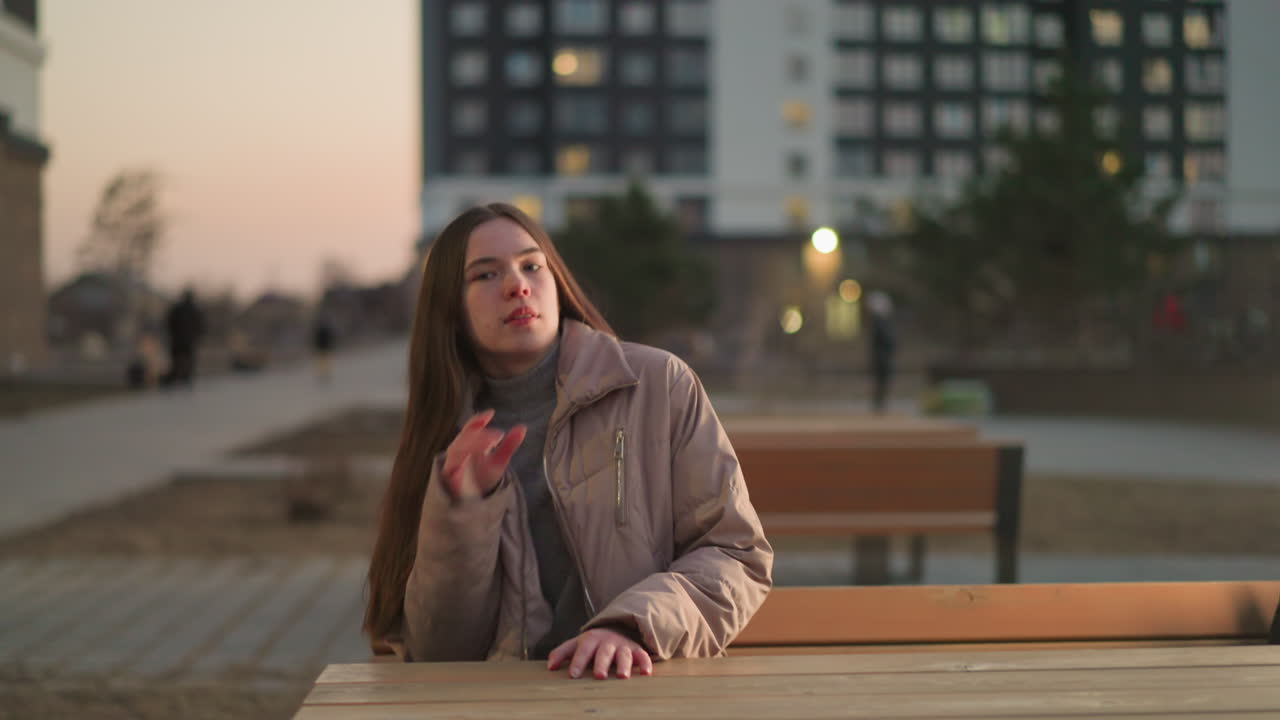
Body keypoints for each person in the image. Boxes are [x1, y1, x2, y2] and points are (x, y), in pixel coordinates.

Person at [363, 203, 773, 680]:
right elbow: (441, 653)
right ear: (450, 311)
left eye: (532, 266)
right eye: (485, 275)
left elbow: (735, 553)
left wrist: (631, 627)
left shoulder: (658, 385)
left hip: (639, 688)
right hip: (505, 705)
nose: (517, 286)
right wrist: (460, 510)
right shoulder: (448, 437)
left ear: (557, 282)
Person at [164, 289, 205, 388]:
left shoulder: (177, 309)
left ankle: (177, 376)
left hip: (178, 339)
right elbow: (200, 325)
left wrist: (173, 334)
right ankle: (186, 377)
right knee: (188, 359)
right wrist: (197, 336)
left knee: (177, 358)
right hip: (188, 340)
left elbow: (169, 322)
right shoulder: (195, 310)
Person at [866, 290, 896, 414]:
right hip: (881, 357)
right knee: (881, 382)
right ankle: (879, 405)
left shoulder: (878, 321)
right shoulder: (879, 322)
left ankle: (879, 404)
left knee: (881, 382)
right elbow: (886, 340)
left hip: (881, 356)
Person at [311, 314, 336, 384]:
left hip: (321, 348)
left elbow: (315, 339)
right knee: (324, 362)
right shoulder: (325, 330)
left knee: (322, 362)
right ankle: (324, 373)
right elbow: (330, 338)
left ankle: (323, 374)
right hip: (324, 347)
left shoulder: (318, 330)